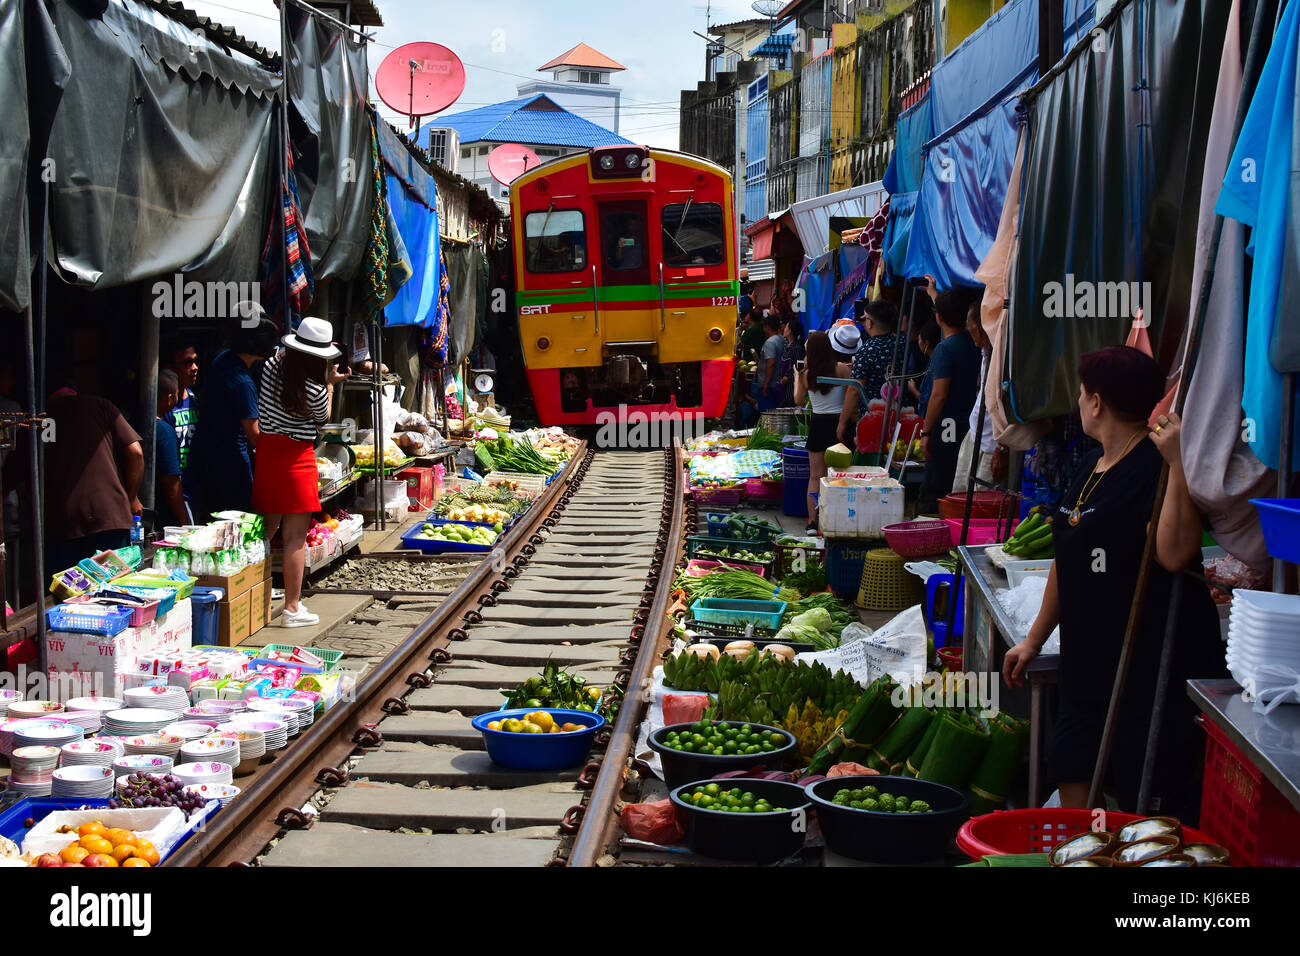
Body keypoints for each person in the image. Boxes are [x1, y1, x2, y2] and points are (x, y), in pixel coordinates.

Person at [1003, 347, 1225, 819]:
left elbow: (1174, 553)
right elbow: (1068, 556)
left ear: (1097, 402)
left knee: (1140, 796)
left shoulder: (1155, 464)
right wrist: (1034, 640)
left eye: (1082, 395)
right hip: (1088, 662)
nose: (1079, 404)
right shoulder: (1089, 466)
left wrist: (1179, 466)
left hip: (1145, 667)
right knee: (1071, 767)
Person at [253, 317, 349, 627]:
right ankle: (293, 608)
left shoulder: (269, 366)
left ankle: (257, 598)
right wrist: (331, 385)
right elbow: (324, 419)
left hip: (267, 454)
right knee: (294, 537)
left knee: (265, 533)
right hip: (296, 458)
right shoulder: (316, 388)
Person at [7, 384, 143, 572]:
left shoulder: (38, 421)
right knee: (112, 590)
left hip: (63, 524)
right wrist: (131, 497)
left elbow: (11, 475)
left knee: (69, 593)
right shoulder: (101, 406)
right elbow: (136, 453)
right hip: (110, 516)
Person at [190, 308, 278, 520]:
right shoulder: (242, 383)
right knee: (241, 519)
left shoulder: (222, 358)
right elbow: (255, 435)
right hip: (230, 462)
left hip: (205, 454)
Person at [919, 290, 982, 512]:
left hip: (947, 426)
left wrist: (926, 432)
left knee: (939, 484)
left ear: (939, 317)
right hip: (969, 426)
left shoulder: (945, 349)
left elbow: (939, 394)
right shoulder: (975, 343)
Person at [794, 330, 855, 534]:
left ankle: (813, 522)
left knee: (815, 476)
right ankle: (840, 518)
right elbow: (850, 398)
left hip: (818, 424)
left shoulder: (806, 375)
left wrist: (797, 376)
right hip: (840, 423)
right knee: (840, 474)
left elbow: (798, 400)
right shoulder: (841, 370)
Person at [953, 301, 1004, 491]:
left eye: (970, 324)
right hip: (975, 432)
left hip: (992, 443)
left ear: (983, 327)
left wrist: (1002, 448)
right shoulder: (985, 352)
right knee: (961, 491)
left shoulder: (1002, 355)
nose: (968, 328)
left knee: (981, 502)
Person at [838, 299, 899, 447]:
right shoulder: (902, 343)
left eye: (865, 318)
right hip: (899, 419)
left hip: (871, 421)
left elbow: (854, 389)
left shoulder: (866, 350)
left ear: (870, 322)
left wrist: (842, 422)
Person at [163, 336, 200, 509]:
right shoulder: (164, 406)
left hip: (193, 488)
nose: (194, 368)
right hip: (171, 492)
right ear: (171, 367)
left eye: (195, 362)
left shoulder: (194, 399)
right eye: (187, 363)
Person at [154, 370, 189, 528]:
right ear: (169, 399)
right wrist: (184, 522)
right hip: (163, 515)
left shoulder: (132, 422)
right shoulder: (164, 432)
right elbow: (172, 482)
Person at [754, 313, 786, 413]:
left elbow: (771, 363)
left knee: (767, 414)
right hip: (778, 383)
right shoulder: (782, 339)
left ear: (767, 327)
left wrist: (765, 385)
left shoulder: (770, 342)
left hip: (769, 385)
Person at [908, 322, 941, 418]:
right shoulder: (932, 360)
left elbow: (928, 400)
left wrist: (914, 390)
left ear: (926, 343)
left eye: (919, 339)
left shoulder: (935, 366)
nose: (918, 342)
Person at [778, 315, 805, 406]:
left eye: (786, 327)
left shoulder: (797, 348)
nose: (784, 329)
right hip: (783, 390)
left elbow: (800, 369)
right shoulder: (786, 347)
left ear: (790, 331)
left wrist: (788, 378)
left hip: (792, 391)